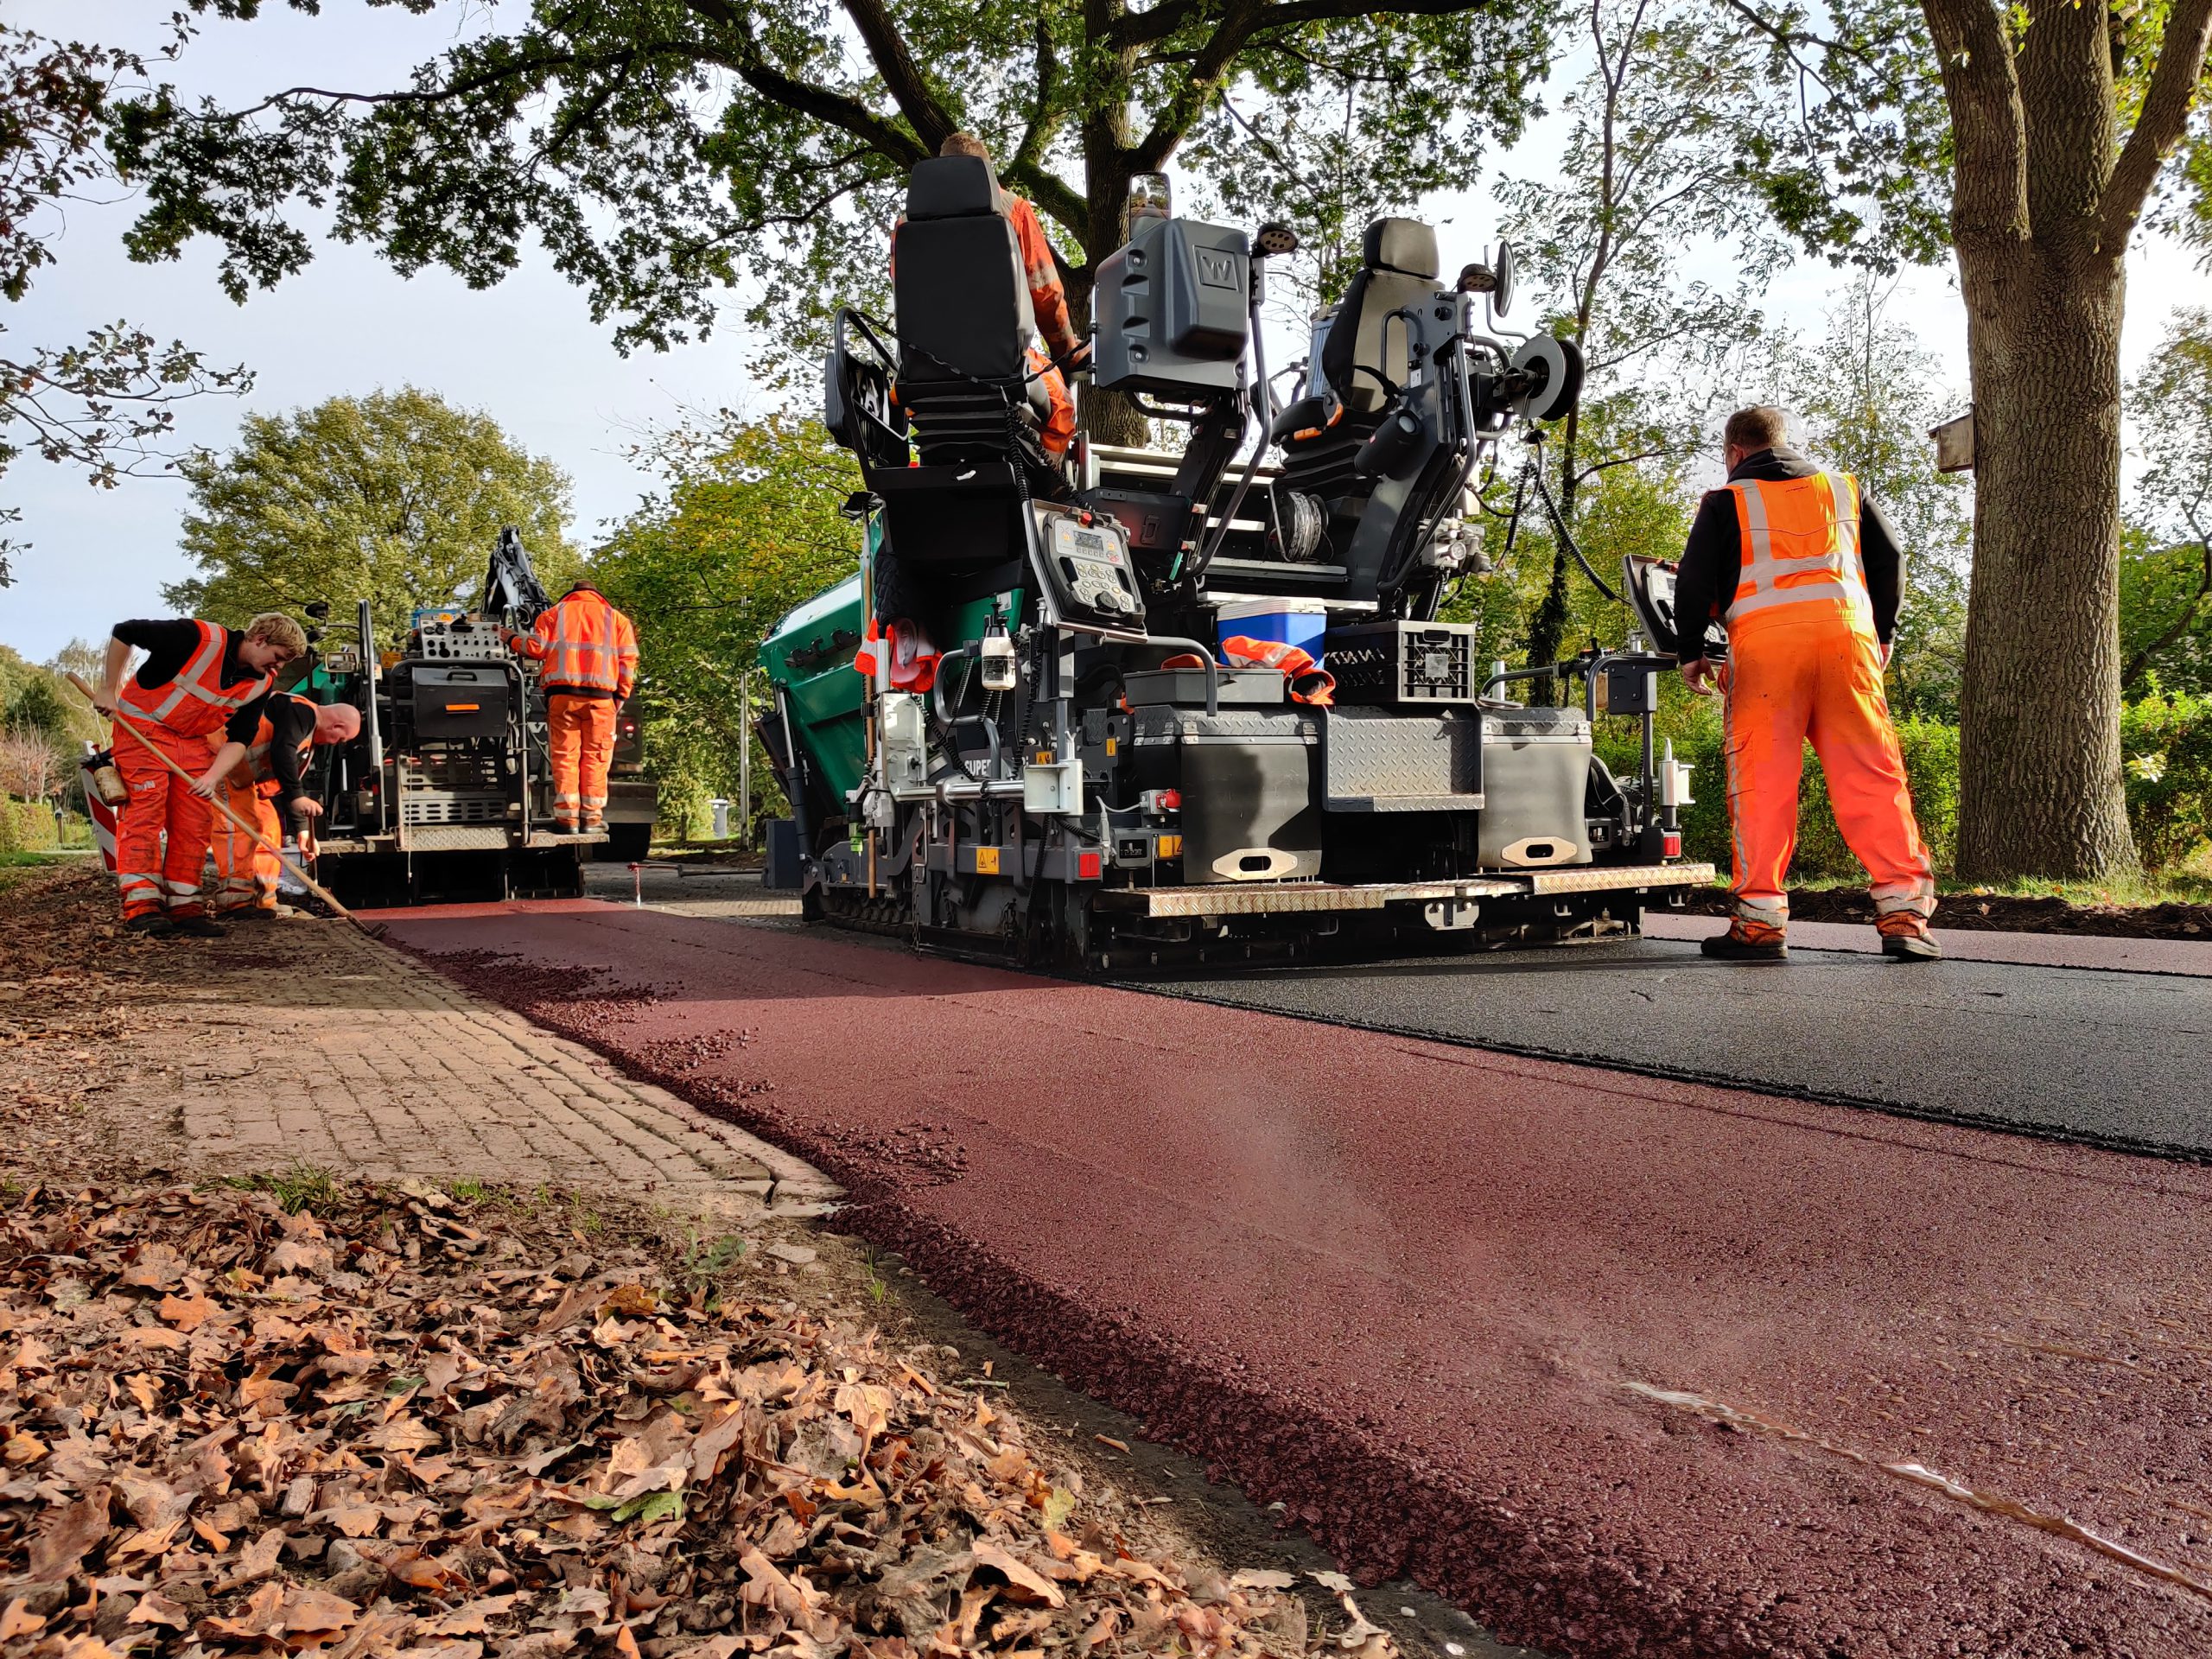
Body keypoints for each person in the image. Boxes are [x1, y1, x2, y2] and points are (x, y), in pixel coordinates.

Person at [1674, 406, 1939, 963]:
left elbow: (1695, 578)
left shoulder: (1726, 501)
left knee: (1763, 784)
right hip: (1849, 645)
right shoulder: (1844, 490)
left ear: (1734, 454)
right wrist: (1882, 634)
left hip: (1768, 652)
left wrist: (1691, 652)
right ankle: (1905, 918)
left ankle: (1760, 923)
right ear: (1782, 443)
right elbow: (1889, 559)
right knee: (1871, 776)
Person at [94, 613, 308, 937]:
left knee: (194, 822)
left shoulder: (259, 685)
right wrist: (109, 689)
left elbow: (240, 738)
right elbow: (126, 630)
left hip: (193, 742)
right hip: (141, 729)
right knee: (145, 814)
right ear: (260, 639)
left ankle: (185, 907)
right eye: (277, 658)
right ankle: (143, 907)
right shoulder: (198, 637)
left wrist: (211, 778)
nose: (276, 668)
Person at [927, 132, 1081, 461]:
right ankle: (1050, 489)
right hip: (1001, 367)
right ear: (986, 172)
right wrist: (1065, 351)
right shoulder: (1012, 209)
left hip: (925, 373)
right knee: (1062, 409)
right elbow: (1045, 292)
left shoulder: (906, 223)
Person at [196, 695, 361, 918]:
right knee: (241, 829)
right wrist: (297, 797)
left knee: (269, 830)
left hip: (246, 780)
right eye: (340, 739)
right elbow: (283, 752)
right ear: (337, 725)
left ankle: (263, 900)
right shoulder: (302, 712)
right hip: (221, 765)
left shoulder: (307, 736)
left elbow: (285, 780)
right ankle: (234, 900)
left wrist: (303, 831)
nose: (336, 743)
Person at [509, 581, 639, 832]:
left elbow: (536, 648)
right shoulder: (618, 620)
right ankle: (591, 820)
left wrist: (512, 638)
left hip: (562, 698)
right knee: (596, 758)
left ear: (570, 595)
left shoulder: (553, 614)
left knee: (566, 757)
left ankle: (567, 819)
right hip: (601, 700)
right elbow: (627, 663)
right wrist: (620, 696)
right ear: (597, 597)